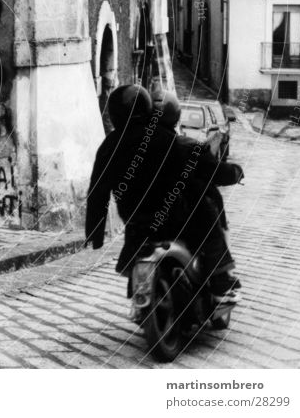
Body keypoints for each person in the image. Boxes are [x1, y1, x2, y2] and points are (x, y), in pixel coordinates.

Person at [85, 84, 242, 303]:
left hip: (135, 222)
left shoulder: (108, 146)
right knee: (206, 213)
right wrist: (233, 173)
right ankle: (220, 280)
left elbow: (97, 191)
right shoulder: (167, 140)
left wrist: (95, 232)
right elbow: (200, 172)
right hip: (173, 220)